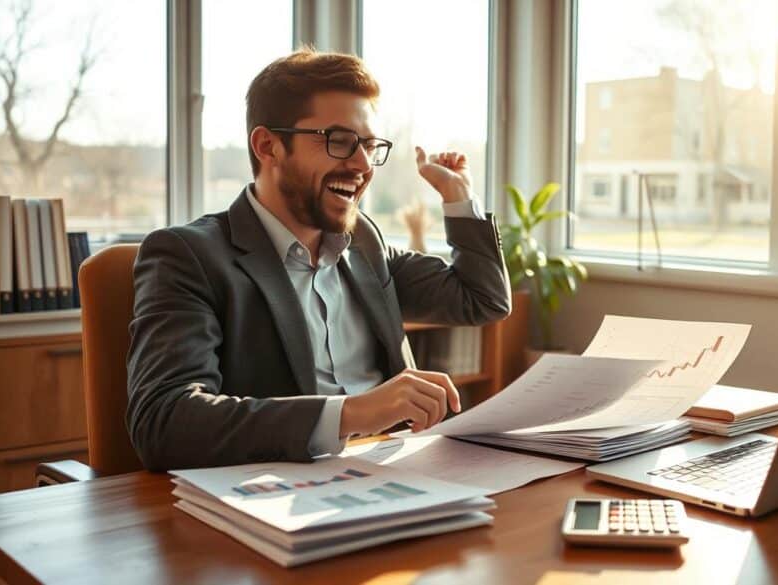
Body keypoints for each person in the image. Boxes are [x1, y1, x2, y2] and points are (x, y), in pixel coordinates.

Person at [126, 49, 511, 470]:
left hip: (396, 473)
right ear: (268, 145)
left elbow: (483, 299)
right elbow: (164, 422)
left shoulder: (364, 241)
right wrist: (354, 412)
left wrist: (459, 198)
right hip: (276, 493)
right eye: (340, 141)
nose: (363, 164)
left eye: (369, 145)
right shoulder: (189, 256)